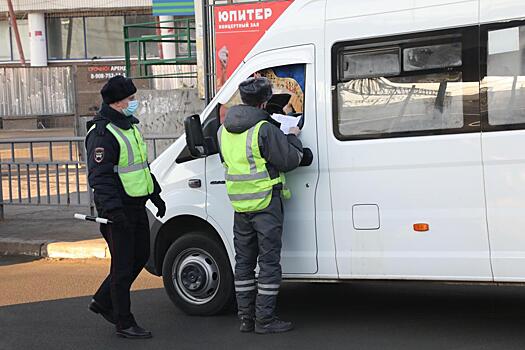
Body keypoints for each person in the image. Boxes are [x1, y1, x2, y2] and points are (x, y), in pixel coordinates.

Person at [218, 77, 306, 334]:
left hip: (240, 205)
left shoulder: (223, 129)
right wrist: (292, 137)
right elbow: (289, 160)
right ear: (265, 102)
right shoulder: (264, 129)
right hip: (266, 202)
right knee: (268, 263)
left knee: (243, 263)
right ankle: (265, 320)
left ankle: (246, 318)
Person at [85, 75, 166, 339]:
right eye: (131, 99)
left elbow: (140, 166)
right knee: (122, 266)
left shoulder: (128, 126)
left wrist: (155, 194)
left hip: (136, 204)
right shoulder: (102, 133)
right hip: (118, 210)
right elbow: (101, 176)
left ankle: (102, 299)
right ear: (118, 102)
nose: (135, 102)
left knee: (140, 255)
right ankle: (124, 321)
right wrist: (113, 211)